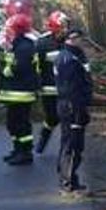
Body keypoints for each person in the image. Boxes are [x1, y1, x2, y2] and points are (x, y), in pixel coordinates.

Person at [0, 13, 38, 165]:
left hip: (21, 93)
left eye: (9, 29)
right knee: (12, 123)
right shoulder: (17, 45)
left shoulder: (24, 47)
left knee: (21, 124)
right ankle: (18, 149)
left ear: (17, 30)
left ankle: (25, 153)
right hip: (15, 93)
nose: (7, 32)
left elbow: (15, 69)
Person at [54, 28, 92, 195]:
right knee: (72, 143)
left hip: (71, 105)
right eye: (80, 39)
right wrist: (78, 108)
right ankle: (67, 183)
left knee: (72, 143)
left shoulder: (71, 56)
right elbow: (72, 87)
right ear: (72, 39)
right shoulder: (68, 59)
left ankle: (70, 180)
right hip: (72, 106)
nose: (82, 42)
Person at [34, 11, 70, 154]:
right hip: (49, 88)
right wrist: (36, 84)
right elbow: (35, 66)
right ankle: (42, 141)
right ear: (55, 27)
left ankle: (67, 148)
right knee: (52, 118)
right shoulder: (42, 43)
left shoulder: (70, 42)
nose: (65, 30)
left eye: (66, 26)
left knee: (68, 118)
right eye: (62, 27)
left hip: (67, 89)